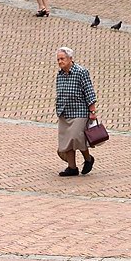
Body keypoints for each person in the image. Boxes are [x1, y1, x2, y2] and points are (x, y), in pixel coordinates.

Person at [55, 47, 97, 177]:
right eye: (58, 59)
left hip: (79, 112)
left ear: (70, 59)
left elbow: (89, 91)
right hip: (64, 112)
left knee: (76, 138)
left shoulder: (81, 72)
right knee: (66, 140)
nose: (60, 62)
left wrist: (92, 110)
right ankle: (72, 167)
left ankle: (88, 159)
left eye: (62, 59)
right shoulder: (60, 74)